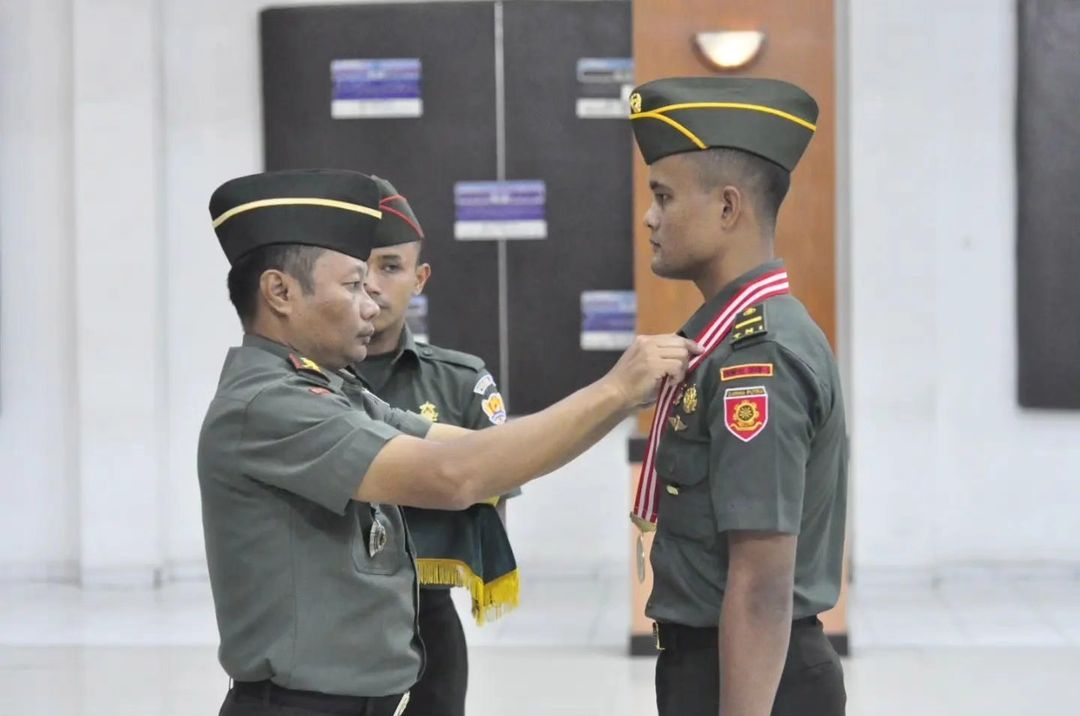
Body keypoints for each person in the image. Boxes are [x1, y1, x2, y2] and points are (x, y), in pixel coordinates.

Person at [198, 168, 697, 716]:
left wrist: (623, 399)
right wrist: (615, 390)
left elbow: (478, 454)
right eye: (352, 285)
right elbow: (454, 476)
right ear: (280, 292)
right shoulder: (270, 403)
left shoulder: (335, 389)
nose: (371, 305)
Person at [627, 77, 849, 716]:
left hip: (754, 676)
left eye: (663, 196)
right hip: (722, 664)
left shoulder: (757, 358)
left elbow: (760, 582)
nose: (650, 217)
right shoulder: (720, 340)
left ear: (728, 208)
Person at [350, 176, 519, 716]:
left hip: (427, 621)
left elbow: (497, 488)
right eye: (356, 268)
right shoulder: (302, 384)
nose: (372, 284)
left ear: (419, 278)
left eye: (390, 267)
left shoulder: (460, 383)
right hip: (328, 623)